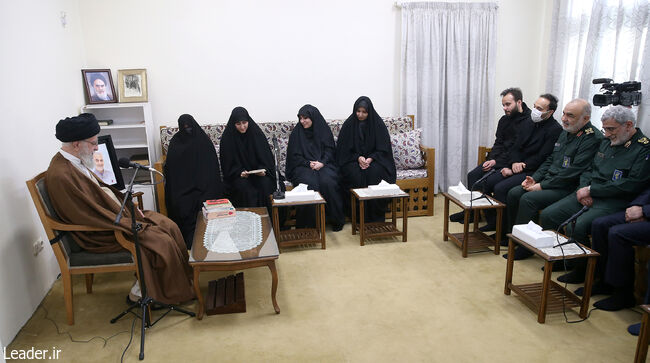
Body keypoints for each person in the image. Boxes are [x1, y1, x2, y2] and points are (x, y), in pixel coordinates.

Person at [46, 113, 194, 305]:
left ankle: (179, 282)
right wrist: (125, 221)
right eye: (92, 143)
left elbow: (99, 194)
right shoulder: (61, 174)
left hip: (111, 217)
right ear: (76, 144)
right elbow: (83, 214)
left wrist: (127, 206)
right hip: (98, 232)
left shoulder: (75, 162)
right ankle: (151, 294)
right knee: (160, 240)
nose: (96, 148)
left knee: (169, 225)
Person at [540, 105, 650, 284]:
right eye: (604, 128)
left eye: (611, 129)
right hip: (588, 193)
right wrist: (584, 189)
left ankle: (584, 271)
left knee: (579, 226)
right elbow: (589, 169)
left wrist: (592, 190)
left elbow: (631, 185)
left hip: (613, 200)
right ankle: (565, 259)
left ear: (628, 125)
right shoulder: (607, 141)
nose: (606, 134)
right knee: (550, 215)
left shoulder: (643, 148)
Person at [504, 98, 603, 260]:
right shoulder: (566, 131)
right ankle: (516, 239)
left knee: (528, 199)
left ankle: (524, 247)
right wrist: (534, 178)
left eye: (570, 115)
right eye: (564, 114)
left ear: (585, 119)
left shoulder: (592, 138)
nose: (564, 118)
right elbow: (550, 159)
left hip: (567, 186)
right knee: (515, 192)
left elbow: (573, 172)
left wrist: (542, 185)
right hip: (551, 181)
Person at [449, 88, 532, 228]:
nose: (505, 108)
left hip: (511, 162)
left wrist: (497, 161)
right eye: (503, 105)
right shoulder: (504, 120)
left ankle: (492, 221)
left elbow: (516, 148)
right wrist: (491, 159)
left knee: (486, 183)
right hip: (498, 160)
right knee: (472, 175)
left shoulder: (528, 122)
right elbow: (498, 143)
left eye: (508, 104)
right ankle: (471, 213)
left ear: (519, 102)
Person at [584, 186, 650, 311]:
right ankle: (604, 282)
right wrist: (636, 207)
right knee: (600, 225)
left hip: (647, 213)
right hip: (644, 210)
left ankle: (623, 294)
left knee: (618, 234)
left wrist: (645, 211)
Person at [164, 114, 224, 249]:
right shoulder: (176, 142)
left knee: (205, 202)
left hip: (205, 187)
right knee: (182, 205)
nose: (187, 129)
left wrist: (203, 186)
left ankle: (210, 242)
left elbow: (212, 169)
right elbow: (171, 170)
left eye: (189, 127)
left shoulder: (203, 140)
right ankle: (190, 244)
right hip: (182, 188)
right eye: (184, 127)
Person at [336, 96, 396, 222]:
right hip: (352, 160)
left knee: (374, 174)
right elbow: (343, 150)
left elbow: (383, 149)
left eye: (364, 112)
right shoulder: (349, 125)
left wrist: (371, 158)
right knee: (355, 175)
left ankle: (375, 216)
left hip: (375, 160)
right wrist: (358, 157)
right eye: (358, 111)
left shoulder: (378, 124)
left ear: (369, 112)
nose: (360, 115)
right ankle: (357, 215)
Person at [286, 104, 345, 231]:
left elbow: (330, 150)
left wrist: (322, 162)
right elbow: (294, 156)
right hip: (302, 166)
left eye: (305, 118)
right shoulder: (297, 133)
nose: (302, 121)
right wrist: (308, 163)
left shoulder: (323, 130)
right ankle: (308, 225)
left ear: (313, 118)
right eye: (300, 118)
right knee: (309, 184)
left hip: (324, 165)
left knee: (328, 182)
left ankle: (333, 219)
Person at [220, 107, 280, 214]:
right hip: (239, 176)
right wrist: (239, 172)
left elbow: (266, 159)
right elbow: (227, 164)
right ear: (233, 124)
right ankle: (249, 223)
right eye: (238, 124)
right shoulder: (227, 138)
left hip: (259, 174)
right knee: (245, 190)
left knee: (266, 185)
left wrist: (263, 170)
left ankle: (269, 222)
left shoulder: (256, 134)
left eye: (244, 122)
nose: (242, 127)